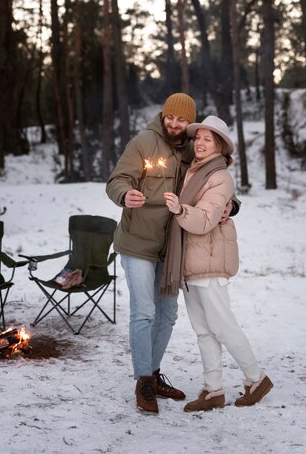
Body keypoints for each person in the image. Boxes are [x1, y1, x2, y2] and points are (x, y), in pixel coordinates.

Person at [163, 115, 273, 412]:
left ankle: (256, 378)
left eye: (207, 139)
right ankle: (214, 390)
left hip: (208, 260)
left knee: (223, 327)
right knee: (203, 330)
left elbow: (206, 219)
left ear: (220, 146)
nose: (199, 142)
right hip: (191, 262)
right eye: (197, 137)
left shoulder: (219, 176)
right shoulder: (195, 171)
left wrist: (179, 209)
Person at [106, 92, 197, 414]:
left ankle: (153, 373)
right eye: (171, 117)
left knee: (168, 313)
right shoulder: (143, 141)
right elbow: (117, 179)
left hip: (171, 245)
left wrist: (232, 204)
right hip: (137, 241)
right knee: (144, 310)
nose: (175, 124)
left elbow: (215, 180)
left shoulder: (192, 149)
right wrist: (124, 194)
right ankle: (143, 379)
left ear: (190, 122)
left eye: (182, 120)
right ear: (163, 115)